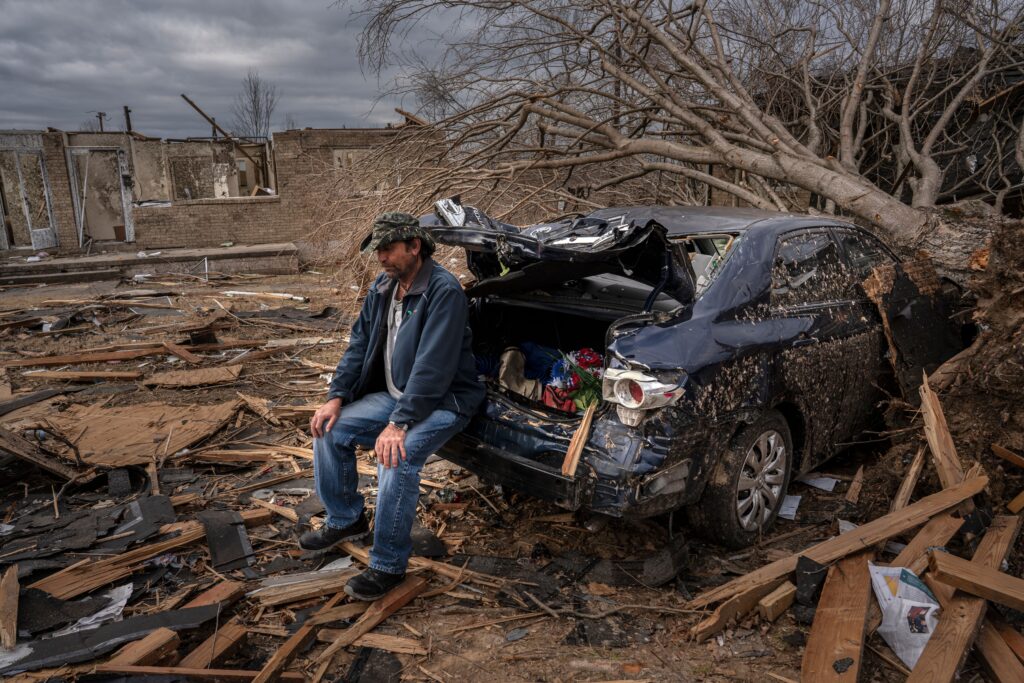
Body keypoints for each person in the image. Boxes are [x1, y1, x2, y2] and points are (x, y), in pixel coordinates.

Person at [302, 211, 485, 601]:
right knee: (329, 430)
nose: (381, 258)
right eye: (378, 251)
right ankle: (346, 518)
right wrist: (336, 397)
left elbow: (433, 367)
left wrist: (399, 423)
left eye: (388, 250)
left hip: (443, 401)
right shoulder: (383, 288)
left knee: (395, 457)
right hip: (394, 396)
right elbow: (357, 346)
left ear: (414, 246)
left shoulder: (443, 291)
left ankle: (387, 564)